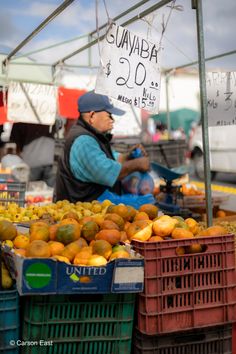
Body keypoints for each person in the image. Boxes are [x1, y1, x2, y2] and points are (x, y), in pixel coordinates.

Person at [54, 90, 151, 203]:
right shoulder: (83, 141)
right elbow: (107, 172)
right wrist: (137, 164)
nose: (112, 120)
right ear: (92, 116)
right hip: (79, 214)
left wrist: (128, 156)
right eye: (109, 115)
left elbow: (106, 159)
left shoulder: (91, 135)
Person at [10, 122, 56, 187]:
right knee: (51, 193)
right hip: (50, 159)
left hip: (31, 161)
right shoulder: (50, 115)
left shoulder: (20, 117)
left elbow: (15, 141)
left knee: (30, 193)